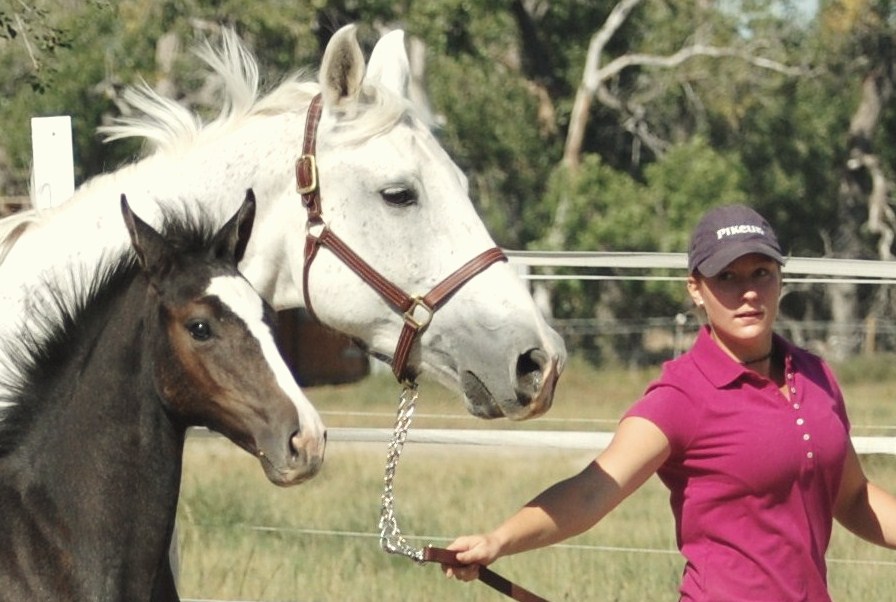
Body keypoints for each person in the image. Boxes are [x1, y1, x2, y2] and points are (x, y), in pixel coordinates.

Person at [441, 204, 896, 600]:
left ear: (781, 278)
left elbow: (853, 496)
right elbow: (592, 490)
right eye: (727, 278)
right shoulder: (682, 395)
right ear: (696, 289)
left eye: (761, 273)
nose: (748, 292)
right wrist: (497, 540)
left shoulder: (815, 376)